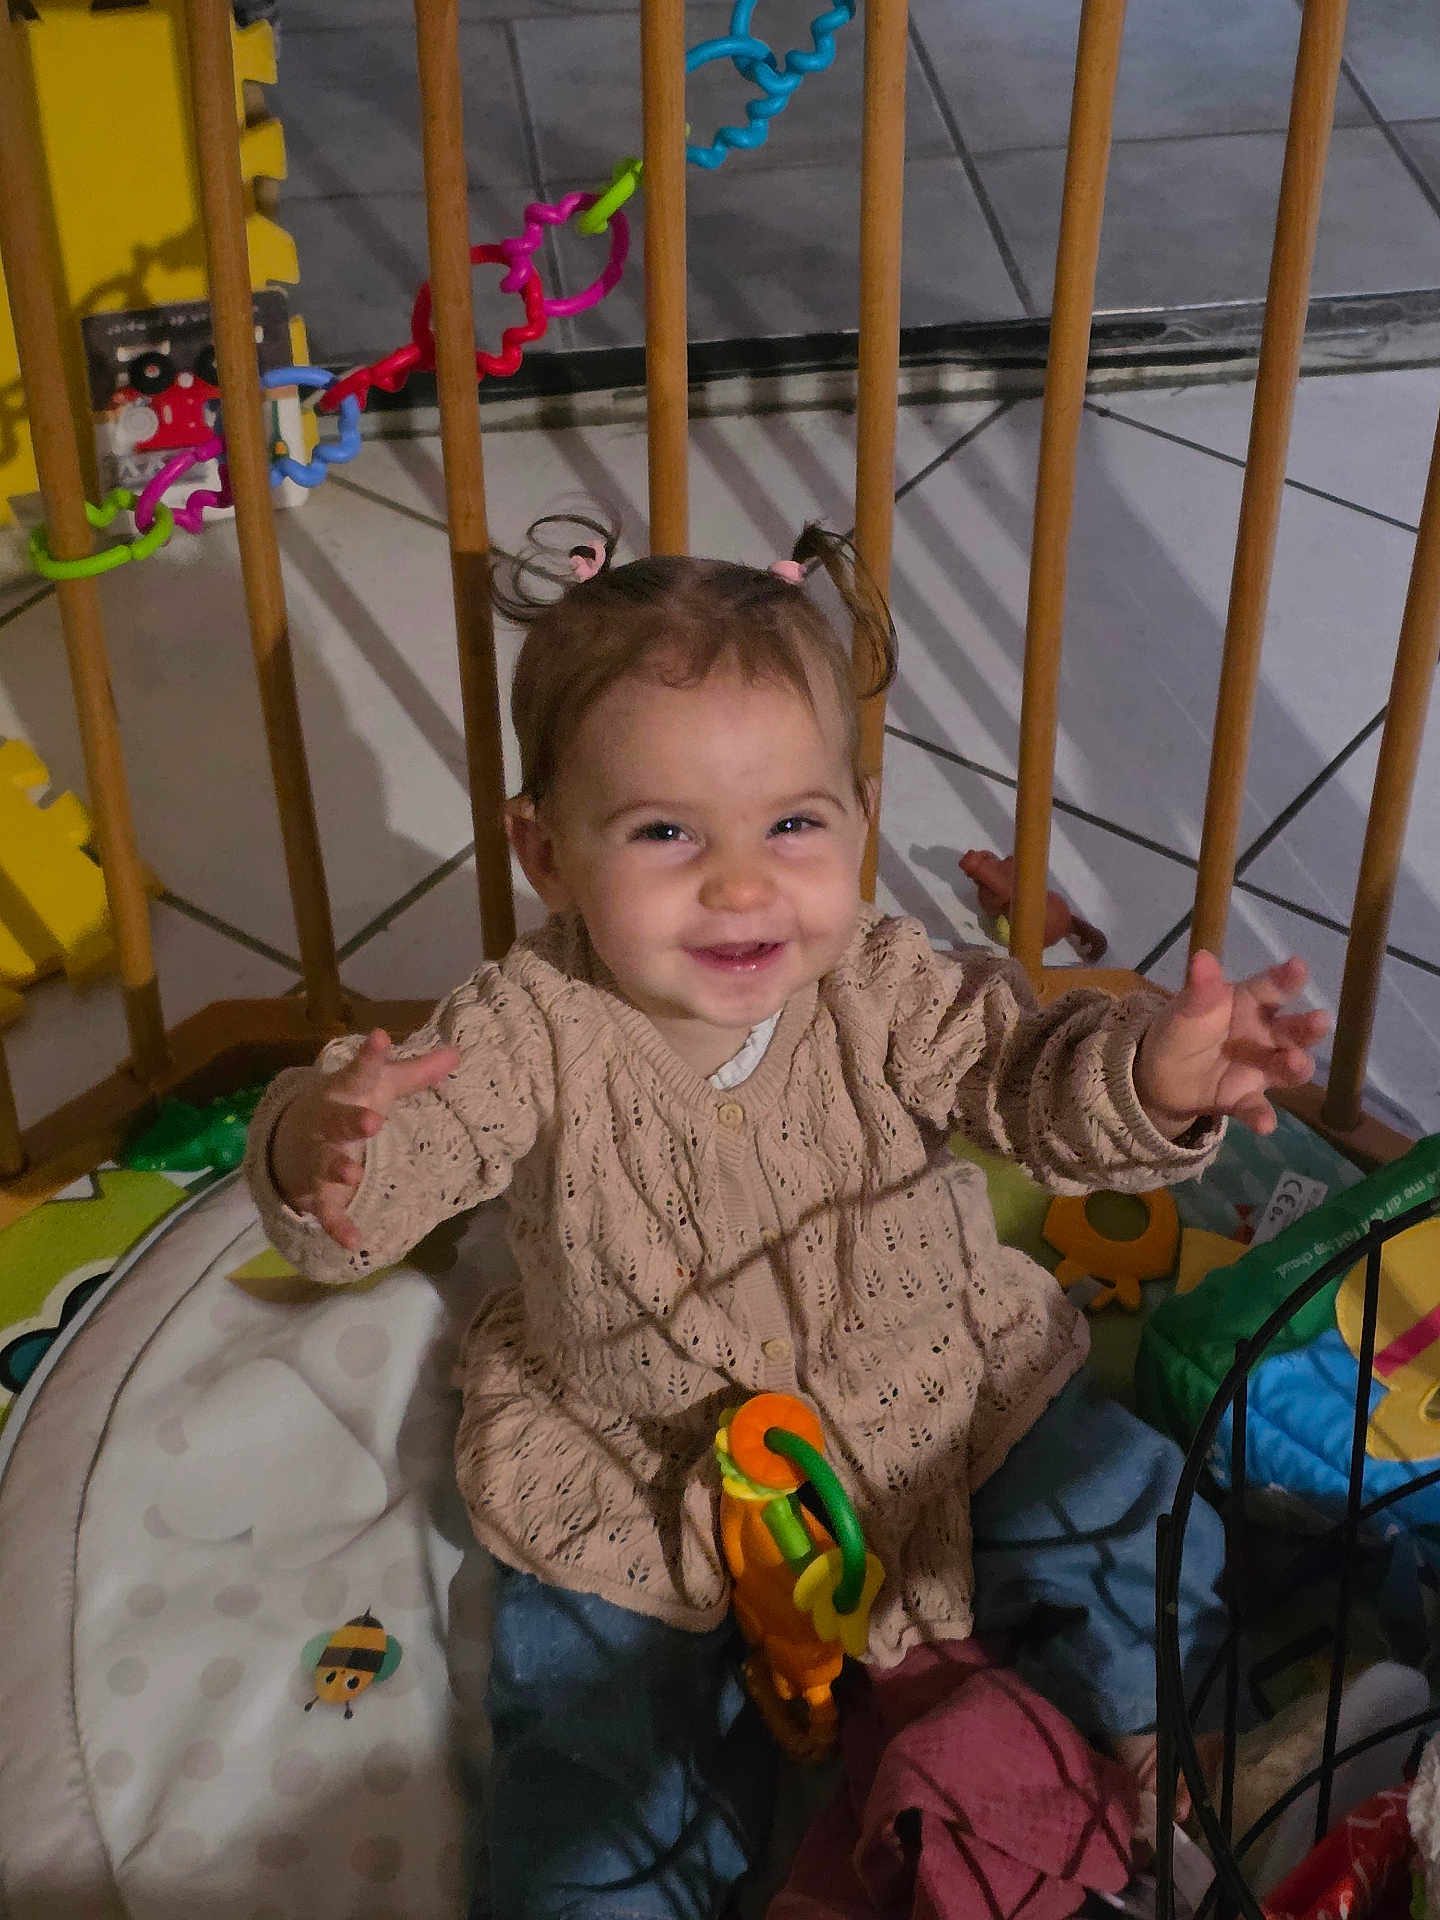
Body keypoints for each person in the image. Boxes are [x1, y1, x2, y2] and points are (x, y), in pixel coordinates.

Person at [246, 519, 1328, 1919]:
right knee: (588, 1738)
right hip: (641, 1459)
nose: (744, 884)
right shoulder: (523, 1026)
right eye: (665, 833)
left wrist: (1154, 1076)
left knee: (1129, 1508)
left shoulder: (885, 981)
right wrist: (321, 1147)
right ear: (547, 853)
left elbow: (1025, 1086)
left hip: (941, 1394)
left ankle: (1196, 1751)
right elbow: (389, 1178)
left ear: (860, 822)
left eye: (794, 825)